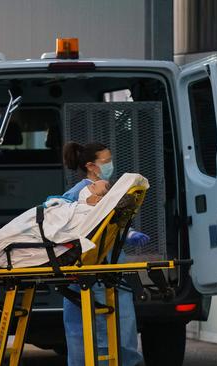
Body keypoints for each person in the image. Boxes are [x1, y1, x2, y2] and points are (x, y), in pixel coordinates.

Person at [61, 142, 146, 366]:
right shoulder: (80, 193)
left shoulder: (106, 191)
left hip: (112, 270)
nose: (110, 166)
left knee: (124, 329)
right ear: (91, 166)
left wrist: (129, 234)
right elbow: (63, 215)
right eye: (106, 162)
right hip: (92, 271)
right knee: (93, 336)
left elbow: (109, 224)